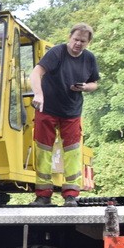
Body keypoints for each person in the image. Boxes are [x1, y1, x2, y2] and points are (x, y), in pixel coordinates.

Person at [29, 23, 99, 207]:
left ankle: (71, 195)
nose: (78, 44)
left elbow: (94, 83)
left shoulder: (89, 59)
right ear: (70, 37)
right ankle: (43, 196)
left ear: (88, 42)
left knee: (73, 152)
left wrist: (85, 87)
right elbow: (36, 73)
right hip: (48, 109)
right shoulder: (57, 53)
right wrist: (38, 94)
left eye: (82, 41)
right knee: (43, 150)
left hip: (72, 111)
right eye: (76, 39)